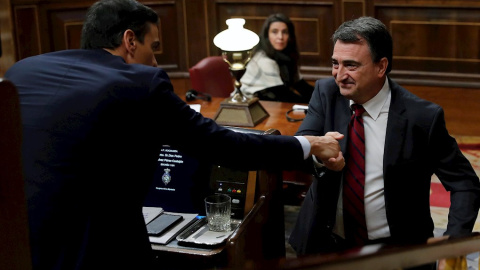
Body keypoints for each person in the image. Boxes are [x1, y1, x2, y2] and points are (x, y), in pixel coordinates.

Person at [4, 0, 345, 269]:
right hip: (101, 249)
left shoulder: (24, 70)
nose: (155, 61)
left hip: (21, 244)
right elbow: (222, 144)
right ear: (129, 40)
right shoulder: (140, 83)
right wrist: (308, 144)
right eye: (154, 47)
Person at [288, 16, 480, 269]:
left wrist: (453, 242)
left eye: (351, 65)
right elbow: (303, 144)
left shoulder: (421, 117)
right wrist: (318, 153)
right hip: (325, 246)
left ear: (381, 67)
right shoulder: (326, 93)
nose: (340, 75)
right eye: (335, 63)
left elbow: (464, 183)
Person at [239, 13, 314, 103]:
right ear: (267, 36)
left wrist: (324, 96)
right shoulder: (263, 60)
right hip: (246, 104)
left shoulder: (286, 57)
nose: (280, 37)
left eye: (284, 32)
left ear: (290, 36)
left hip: (269, 100)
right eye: (274, 32)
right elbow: (283, 95)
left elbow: (301, 85)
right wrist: (315, 104)